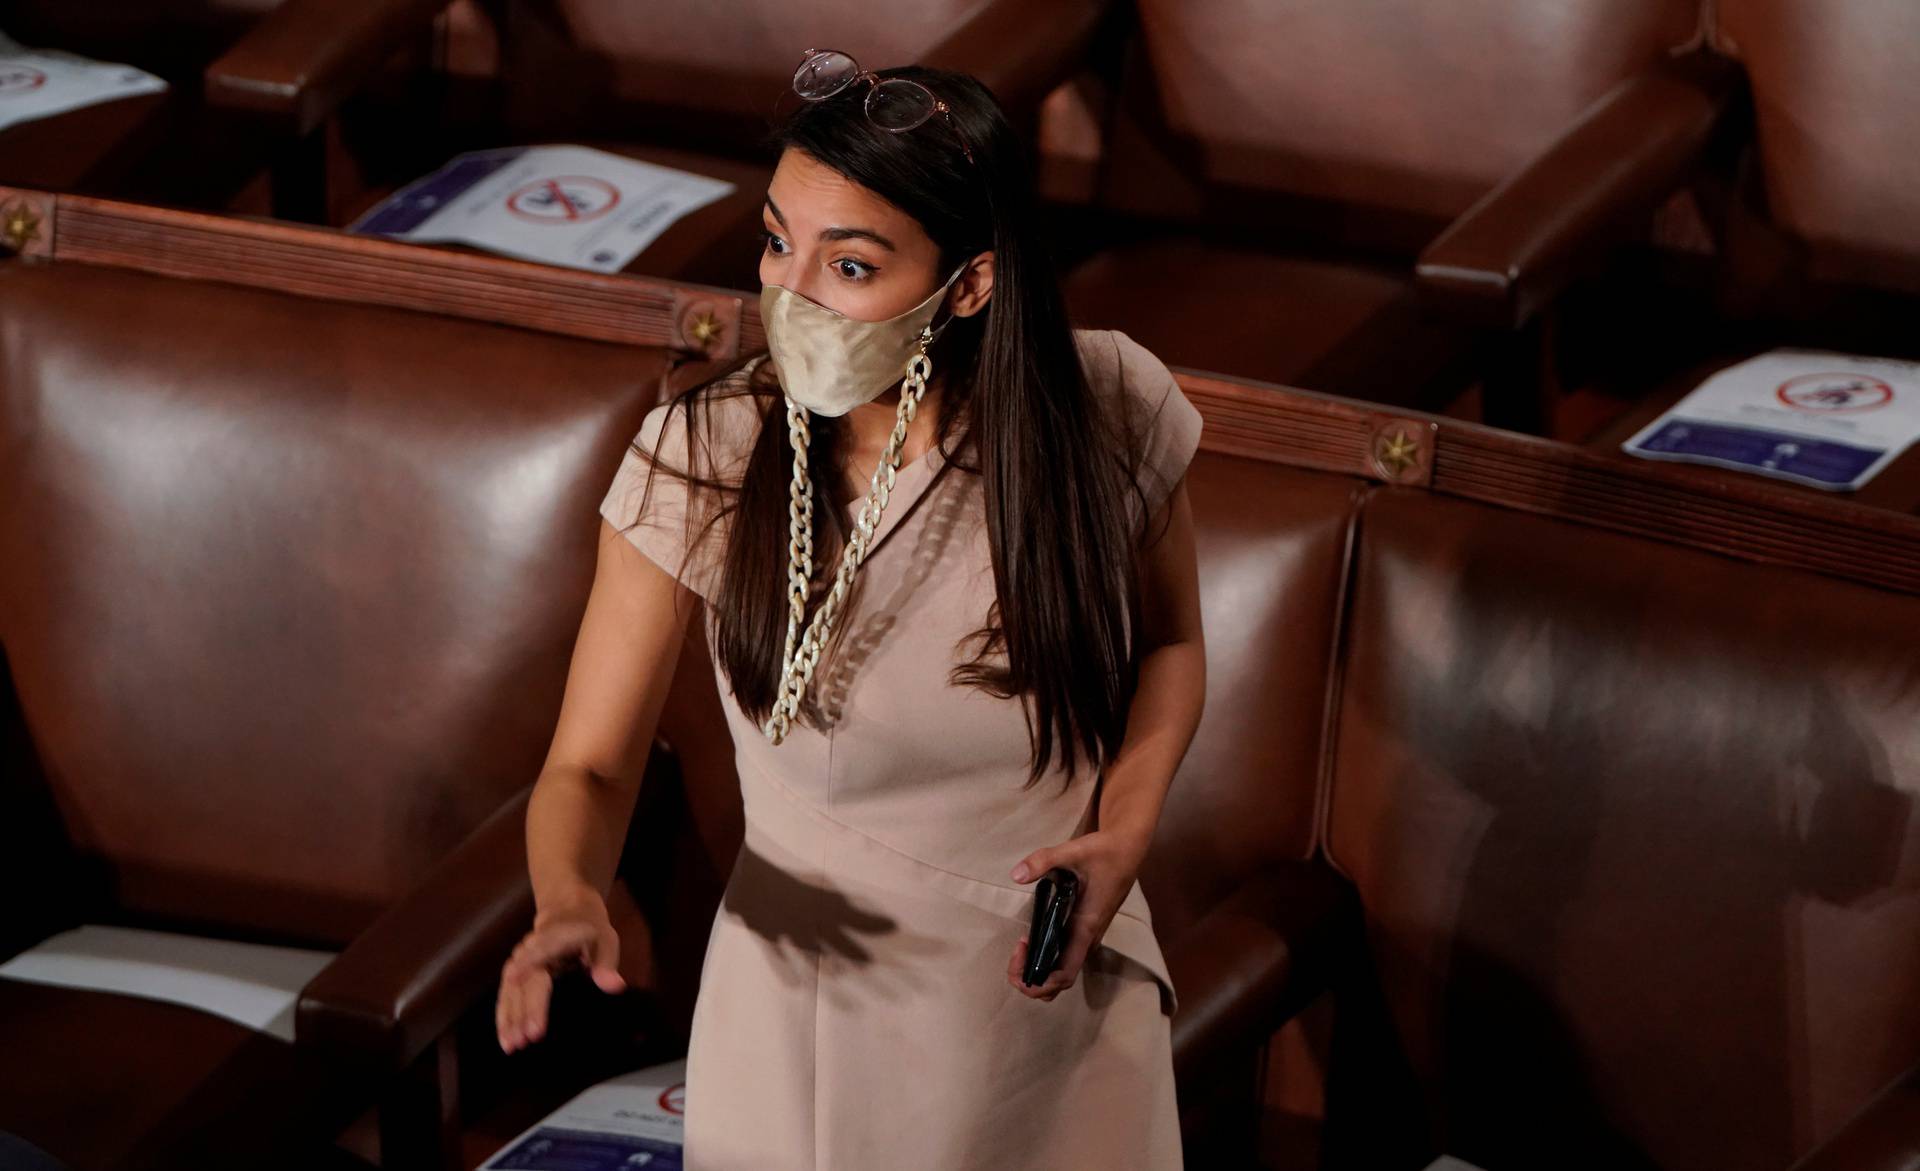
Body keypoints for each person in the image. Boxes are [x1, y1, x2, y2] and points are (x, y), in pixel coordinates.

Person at [493, 47, 1206, 1170]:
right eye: (779, 242)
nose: (792, 291)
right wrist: (568, 893)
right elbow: (588, 766)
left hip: (1056, 998)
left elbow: (1169, 642)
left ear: (969, 285)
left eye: (852, 264)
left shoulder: (1107, 407)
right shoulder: (709, 451)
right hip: (810, 1018)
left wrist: (1125, 829)